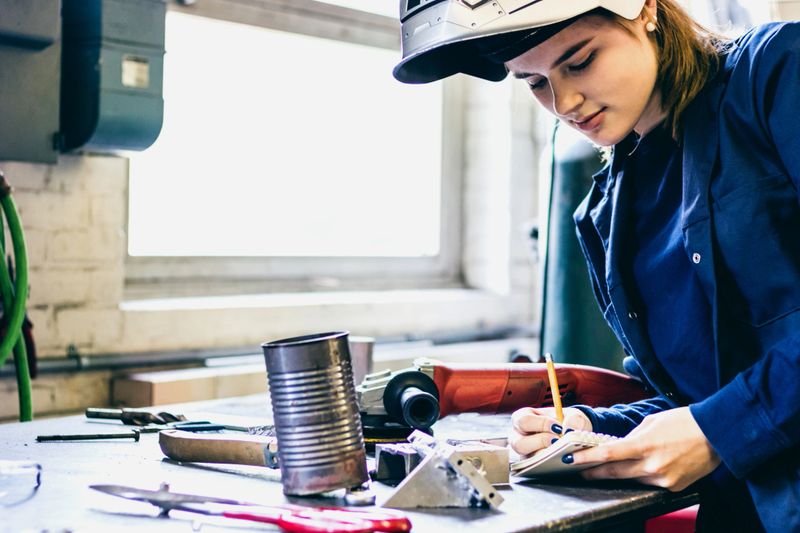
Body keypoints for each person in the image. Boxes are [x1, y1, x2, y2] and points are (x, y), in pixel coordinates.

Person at [392, 1, 800, 531]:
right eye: (534, 82)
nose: (564, 102)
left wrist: (719, 429)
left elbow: (717, 419)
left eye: (579, 62)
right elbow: (694, 399)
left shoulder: (777, 75)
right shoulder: (606, 214)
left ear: (646, 10)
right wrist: (589, 428)